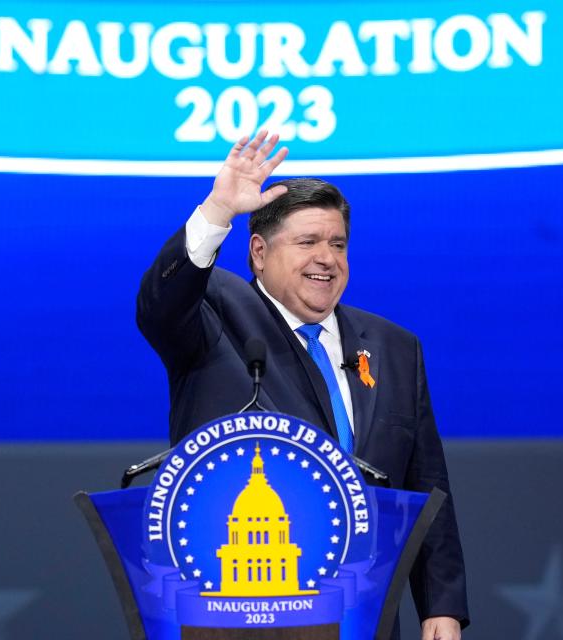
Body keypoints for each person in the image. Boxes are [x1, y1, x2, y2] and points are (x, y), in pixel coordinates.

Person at [137, 131, 469, 639]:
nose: (327, 258)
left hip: (362, 617)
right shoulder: (216, 320)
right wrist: (218, 209)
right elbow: (160, 305)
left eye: (337, 243)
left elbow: (425, 483)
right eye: (308, 242)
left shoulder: (394, 347)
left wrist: (440, 607)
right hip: (241, 618)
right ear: (258, 253)